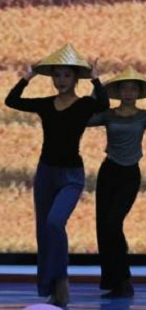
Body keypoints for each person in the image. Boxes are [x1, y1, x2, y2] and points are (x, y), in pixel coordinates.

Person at [4, 44, 108, 307]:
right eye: (57, 75)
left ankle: (61, 280)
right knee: (44, 231)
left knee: (54, 223)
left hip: (71, 175)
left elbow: (104, 104)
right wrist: (29, 75)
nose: (61, 80)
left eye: (67, 75)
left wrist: (95, 78)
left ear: (75, 78)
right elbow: (11, 101)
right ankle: (52, 289)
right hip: (46, 173)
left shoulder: (85, 104)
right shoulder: (46, 104)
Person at [87, 66, 146, 299]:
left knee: (113, 224)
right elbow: (84, 120)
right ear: (118, 92)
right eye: (124, 89)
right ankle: (115, 282)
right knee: (104, 227)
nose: (128, 93)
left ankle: (124, 280)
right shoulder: (108, 114)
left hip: (129, 175)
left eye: (132, 89)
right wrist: (95, 89)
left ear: (138, 93)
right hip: (109, 172)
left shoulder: (144, 116)